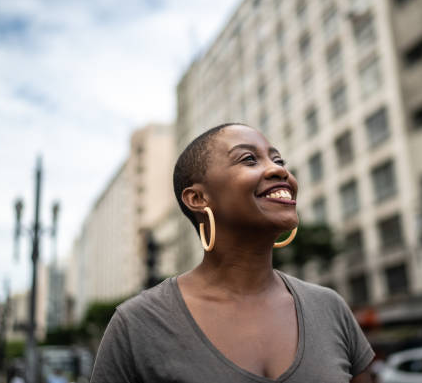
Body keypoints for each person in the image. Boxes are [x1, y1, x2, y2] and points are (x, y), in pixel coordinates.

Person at [90, 123, 375, 382]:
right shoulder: (138, 325)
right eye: (249, 159)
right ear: (198, 198)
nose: (280, 171)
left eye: (278, 160)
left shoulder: (330, 308)